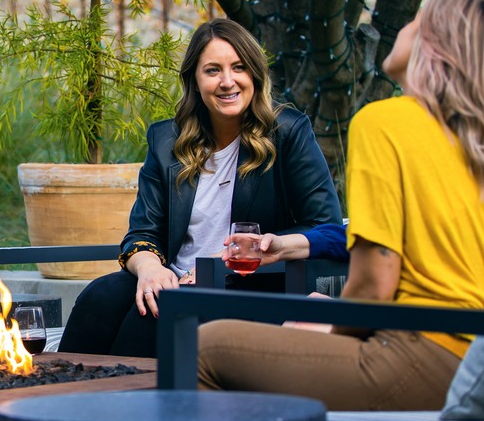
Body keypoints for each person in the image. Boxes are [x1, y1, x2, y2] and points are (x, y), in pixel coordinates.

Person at [197, 0, 484, 410]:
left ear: (435, 45)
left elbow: (375, 285)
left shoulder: (384, 122)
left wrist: (328, 330)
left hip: (419, 355)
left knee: (202, 347)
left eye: (416, 21)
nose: (402, 27)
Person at [58, 18, 343, 358]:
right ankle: (57, 396)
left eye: (238, 68)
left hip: (245, 285)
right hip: (174, 279)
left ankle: (120, 407)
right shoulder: (167, 141)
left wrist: (263, 250)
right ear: (194, 78)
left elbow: (326, 225)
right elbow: (143, 233)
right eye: (212, 70)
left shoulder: (288, 133)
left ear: (254, 74)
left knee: (150, 318)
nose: (227, 82)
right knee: (98, 299)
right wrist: (150, 269)